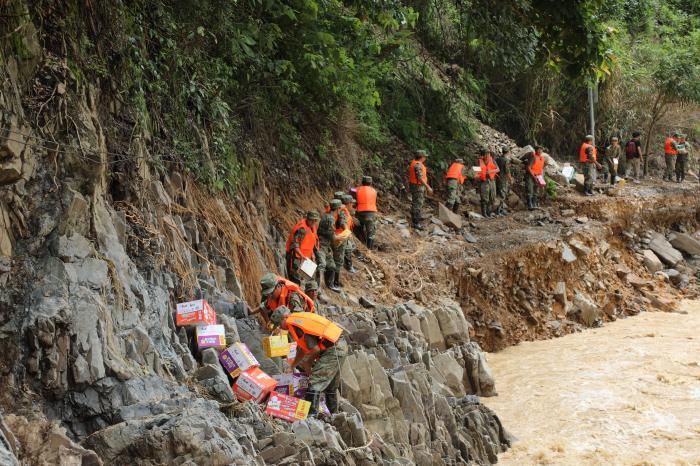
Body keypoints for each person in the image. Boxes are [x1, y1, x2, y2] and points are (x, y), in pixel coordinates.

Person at [271, 306, 348, 416]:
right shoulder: (299, 319)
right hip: (340, 345)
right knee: (330, 386)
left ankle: (311, 416)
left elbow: (315, 350)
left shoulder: (296, 325)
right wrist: (292, 366)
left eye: (279, 324)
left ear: (284, 317)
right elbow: (303, 349)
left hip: (334, 349)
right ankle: (335, 416)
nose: (280, 327)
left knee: (314, 383)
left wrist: (308, 363)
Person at [284, 211, 319, 286]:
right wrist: (302, 256)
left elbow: (310, 242)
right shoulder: (301, 229)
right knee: (295, 280)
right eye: (312, 220)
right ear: (308, 219)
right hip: (296, 258)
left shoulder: (313, 227)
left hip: (306, 258)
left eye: (315, 220)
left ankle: (304, 294)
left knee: (306, 278)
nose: (313, 222)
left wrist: (312, 253)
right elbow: (295, 246)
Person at [318, 200, 341, 292]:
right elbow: (332, 236)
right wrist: (342, 237)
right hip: (321, 245)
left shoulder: (326, 215)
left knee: (332, 266)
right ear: (338, 209)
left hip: (325, 245)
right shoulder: (330, 218)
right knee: (322, 265)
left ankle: (330, 285)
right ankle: (318, 287)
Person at [408, 150, 433, 229]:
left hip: (414, 185)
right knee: (417, 203)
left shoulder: (414, 163)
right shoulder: (418, 165)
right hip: (417, 186)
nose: (425, 158)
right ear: (422, 157)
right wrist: (428, 187)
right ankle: (416, 223)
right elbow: (420, 178)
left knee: (417, 202)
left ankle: (416, 217)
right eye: (425, 156)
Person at [331, 198, 352, 288]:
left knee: (336, 260)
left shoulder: (331, 212)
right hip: (339, 238)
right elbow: (343, 222)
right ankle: (335, 282)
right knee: (338, 261)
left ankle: (334, 281)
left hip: (336, 237)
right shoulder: (342, 212)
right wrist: (347, 230)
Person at [355, 176, 378, 249]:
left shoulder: (357, 189)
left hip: (360, 212)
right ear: (370, 183)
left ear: (362, 182)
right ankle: (369, 249)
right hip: (371, 213)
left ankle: (360, 243)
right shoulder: (374, 191)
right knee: (371, 232)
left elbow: (353, 194)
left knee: (359, 227)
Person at [476, 148, 499, 217]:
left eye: (489, 153)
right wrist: (478, 176)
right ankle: (484, 213)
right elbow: (476, 171)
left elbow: (498, 169)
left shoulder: (492, 160)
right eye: (487, 154)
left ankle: (489, 212)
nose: (488, 155)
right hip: (483, 181)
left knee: (492, 197)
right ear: (483, 155)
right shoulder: (479, 161)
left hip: (492, 180)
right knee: (484, 198)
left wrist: (490, 172)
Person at [341, 195, 358, 274]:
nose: (352, 205)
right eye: (351, 203)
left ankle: (349, 266)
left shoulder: (346, 210)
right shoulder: (343, 211)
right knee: (348, 249)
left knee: (350, 247)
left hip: (344, 234)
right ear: (348, 203)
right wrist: (347, 232)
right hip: (342, 234)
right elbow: (343, 223)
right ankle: (349, 267)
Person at [494, 147, 513, 216]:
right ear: (508, 152)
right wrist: (510, 179)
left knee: (498, 194)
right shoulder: (506, 160)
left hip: (497, 179)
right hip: (503, 180)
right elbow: (507, 171)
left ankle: (500, 209)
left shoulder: (497, 159)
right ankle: (498, 210)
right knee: (502, 195)